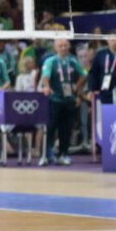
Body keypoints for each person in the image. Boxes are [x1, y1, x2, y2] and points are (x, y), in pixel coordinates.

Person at [38, 37, 84, 166]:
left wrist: (77, 85)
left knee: (66, 129)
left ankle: (64, 154)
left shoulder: (73, 61)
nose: (63, 48)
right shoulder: (50, 61)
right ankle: (48, 153)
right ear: (55, 48)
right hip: (55, 99)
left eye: (65, 46)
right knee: (51, 127)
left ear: (69, 47)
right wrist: (46, 86)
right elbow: (45, 76)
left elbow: (83, 74)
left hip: (69, 100)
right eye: (60, 46)